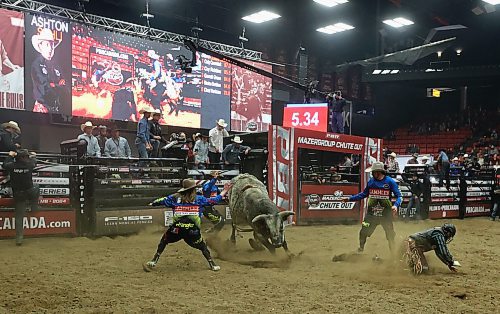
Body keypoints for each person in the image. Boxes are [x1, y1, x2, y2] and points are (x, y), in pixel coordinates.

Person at [143, 179, 233, 272]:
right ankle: (212, 264)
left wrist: (153, 203)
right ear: (194, 189)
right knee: (202, 246)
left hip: (177, 229)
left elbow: (162, 200)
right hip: (192, 231)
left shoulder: (175, 198)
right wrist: (225, 190)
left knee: (164, 241)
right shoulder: (199, 199)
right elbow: (213, 201)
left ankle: (154, 260)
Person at [344, 161, 402, 253]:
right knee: (363, 231)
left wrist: (395, 205)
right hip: (371, 215)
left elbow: (399, 196)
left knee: (390, 234)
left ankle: (393, 253)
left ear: (378, 172)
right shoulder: (371, 182)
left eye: (373, 172)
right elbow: (364, 194)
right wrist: (350, 199)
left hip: (386, 215)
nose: (372, 173)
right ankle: (361, 248)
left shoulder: (390, 182)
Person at [3, 149, 39, 246]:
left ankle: (19, 238)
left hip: (19, 194)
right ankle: (34, 207)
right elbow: (34, 161)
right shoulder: (29, 165)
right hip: (29, 192)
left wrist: (10, 156)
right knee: (36, 187)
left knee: (19, 216)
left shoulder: (12, 166)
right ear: (24, 157)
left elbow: (4, 165)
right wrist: (33, 155)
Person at [31, 28, 69, 114]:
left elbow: (66, 88)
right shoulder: (36, 65)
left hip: (55, 109)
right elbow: (45, 89)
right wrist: (58, 85)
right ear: (40, 46)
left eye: (52, 45)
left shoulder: (56, 65)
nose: (50, 48)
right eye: (47, 45)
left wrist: (53, 85)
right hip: (42, 109)